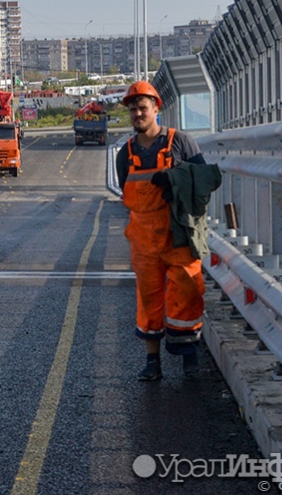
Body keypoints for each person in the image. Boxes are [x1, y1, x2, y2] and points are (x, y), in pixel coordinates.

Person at [116, 81, 216, 382]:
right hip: (144, 241)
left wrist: (175, 179)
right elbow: (124, 190)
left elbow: (206, 180)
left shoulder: (181, 142)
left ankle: (189, 359)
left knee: (187, 292)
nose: (137, 113)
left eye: (142, 107)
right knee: (149, 300)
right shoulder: (125, 153)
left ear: (156, 108)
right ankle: (152, 361)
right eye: (132, 109)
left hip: (179, 235)